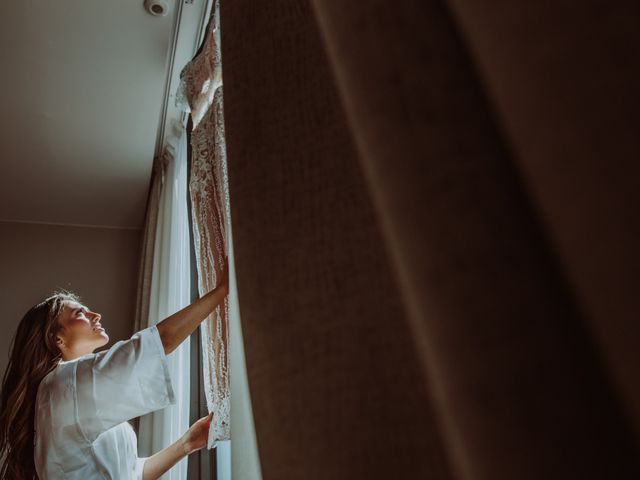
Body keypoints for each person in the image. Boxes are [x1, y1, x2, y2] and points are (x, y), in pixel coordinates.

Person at [0, 265, 228, 480]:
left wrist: (187, 443)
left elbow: (132, 474)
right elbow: (161, 341)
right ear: (56, 338)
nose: (96, 315)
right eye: (80, 313)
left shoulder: (70, 394)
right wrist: (222, 291)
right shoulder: (61, 385)